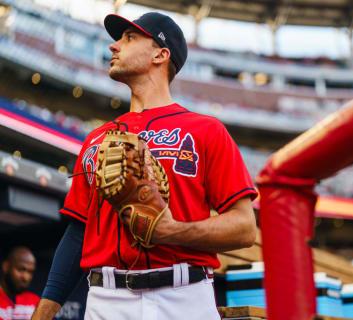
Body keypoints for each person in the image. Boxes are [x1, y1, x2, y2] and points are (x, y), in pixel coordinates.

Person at [31, 12, 258, 320]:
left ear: (160, 55)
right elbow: (77, 233)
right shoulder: (97, 139)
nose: (114, 46)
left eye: (129, 37)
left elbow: (244, 228)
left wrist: (170, 231)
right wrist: (44, 313)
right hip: (105, 299)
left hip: (183, 296)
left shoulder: (206, 130)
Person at [0, 246, 39, 320]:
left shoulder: (34, 301)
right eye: (21, 269)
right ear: (6, 266)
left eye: (30, 272)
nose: (26, 277)